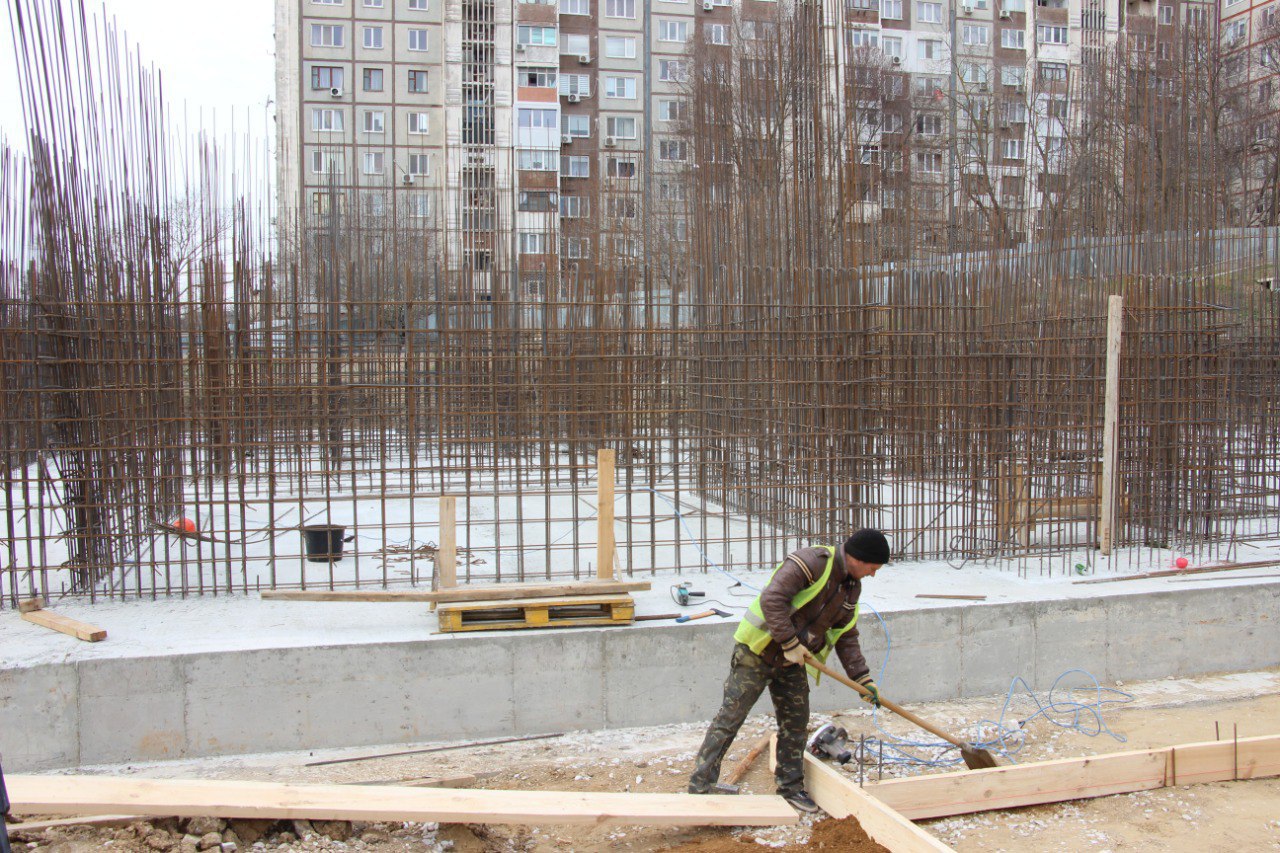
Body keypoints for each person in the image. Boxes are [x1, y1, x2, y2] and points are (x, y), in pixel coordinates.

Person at [687, 528, 890, 813]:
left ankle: (791, 787)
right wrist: (789, 641)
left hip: (792, 662)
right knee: (729, 719)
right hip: (757, 652)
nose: (873, 574)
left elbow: (846, 636)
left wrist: (862, 678)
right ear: (859, 558)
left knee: (795, 724)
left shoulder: (851, 588)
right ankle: (700, 787)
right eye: (873, 567)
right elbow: (773, 600)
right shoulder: (812, 563)